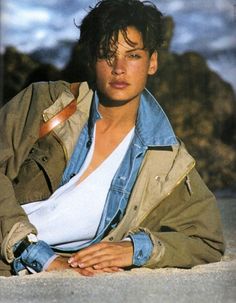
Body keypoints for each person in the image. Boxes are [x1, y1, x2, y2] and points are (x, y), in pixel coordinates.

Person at [0, 0, 224, 277]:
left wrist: (135, 249)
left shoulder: (167, 160)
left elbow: (207, 241)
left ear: (152, 62)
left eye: (132, 55)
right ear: (92, 59)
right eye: (108, 54)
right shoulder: (46, 103)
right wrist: (34, 253)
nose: (119, 68)